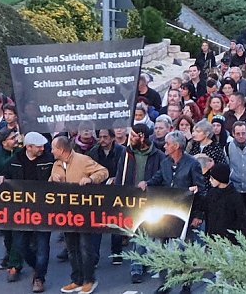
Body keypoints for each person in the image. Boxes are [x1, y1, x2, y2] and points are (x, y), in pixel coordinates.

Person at [139, 131, 206, 294]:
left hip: (186, 213)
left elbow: (200, 190)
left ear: (176, 146)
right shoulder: (165, 162)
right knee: (161, 249)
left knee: (185, 250)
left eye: (167, 144)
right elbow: (158, 178)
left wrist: (198, 215)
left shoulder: (192, 164)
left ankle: (186, 284)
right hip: (166, 211)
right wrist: (146, 183)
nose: (164, 146)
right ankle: (165, 284)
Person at [50, 136, 109, 294]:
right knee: (71, 248)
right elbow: (51, 186)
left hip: (83, 213)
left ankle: (89, 280)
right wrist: (53, 178)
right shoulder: (56, 164)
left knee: (85, 247)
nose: (51, 151)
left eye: (53, 148)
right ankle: (77, 280)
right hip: (66, 213)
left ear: (61, 150)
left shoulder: (83, 160)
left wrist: (91, 179)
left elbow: (103, 172)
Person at [1, 132, 55, 293]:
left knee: (42, 246)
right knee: (20, 245)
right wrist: (1, 177)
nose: (42, 149)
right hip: (21, 211)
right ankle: (36, 266)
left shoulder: (48, 160)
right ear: (28, 147)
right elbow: (4, 173)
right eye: (38, 147)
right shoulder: (15, 161)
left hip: (43, 210)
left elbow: (58, 172)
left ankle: (39, 278)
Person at [114, 124, 162, 284]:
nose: (130, 139)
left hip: (151, 199)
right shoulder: (127, 154)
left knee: (149, 233)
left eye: (134, 136)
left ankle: (145, 263)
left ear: (142, 137)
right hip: (131, 199)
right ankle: (136, 267)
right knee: (137, 233)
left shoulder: (158, 155)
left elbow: (161, 176)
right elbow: (120, 175)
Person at [87, 129, 125, 265]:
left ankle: (117, 253)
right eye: (100, 137)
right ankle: (94, 258)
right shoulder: (93, 152)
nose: (102, 140)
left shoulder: (122, 151)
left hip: (116, 191)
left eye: (105, 137)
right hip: (99, 191)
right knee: (97, 224)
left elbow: (125, 169)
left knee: (117, 222)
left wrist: (116, 179)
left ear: (112, 138)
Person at [0, 129, 24, 276]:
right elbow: (4, 167)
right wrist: (18, 153)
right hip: (4, 198)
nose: (16, 139)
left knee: (18, 231)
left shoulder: (20, 151)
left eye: (16, 136)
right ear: (4, 143)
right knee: (8, 234)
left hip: (20, 196)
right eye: (12, 138)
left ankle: (15, 265)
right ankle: (11, 257)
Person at [204, 163, 246, 244]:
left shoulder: (234, 197)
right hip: (213, 239)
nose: (210, 180)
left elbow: (243, 219)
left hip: (230, 240)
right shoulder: (211, 193)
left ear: (220, 178)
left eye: (212, 178)